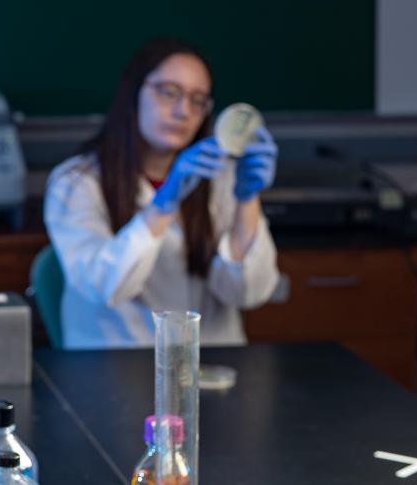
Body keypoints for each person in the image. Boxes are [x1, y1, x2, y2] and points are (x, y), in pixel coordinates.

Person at [43, 38, 280, 349]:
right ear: (134, 93)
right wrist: (162, 205)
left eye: (198, 100)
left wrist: (247, 199)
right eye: (169, 92)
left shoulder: (222, 179)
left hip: (213, 363)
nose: (183, 111)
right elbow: (104, 287)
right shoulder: (76, 182)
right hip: (116, 365)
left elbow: (249, 292)